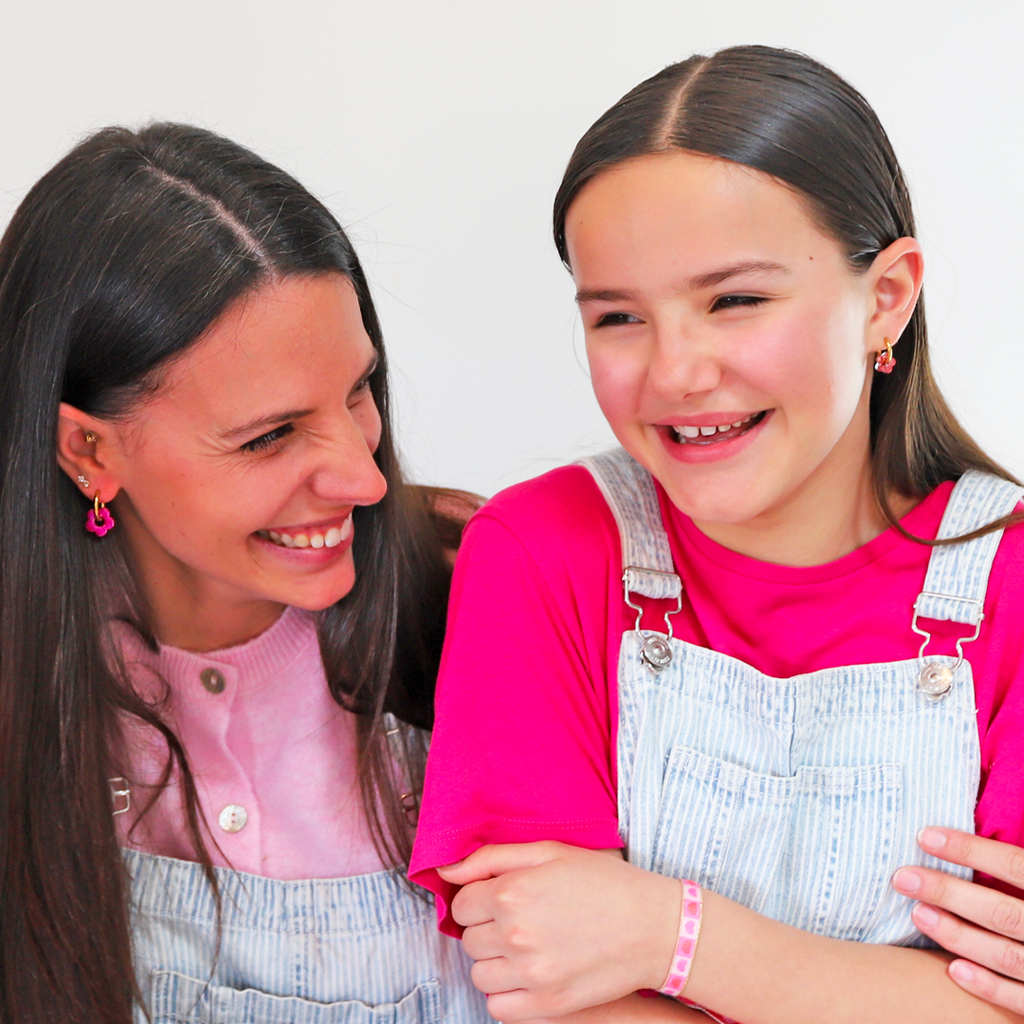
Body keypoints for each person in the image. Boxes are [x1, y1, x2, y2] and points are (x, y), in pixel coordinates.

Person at [408, 45, 1024, 1023]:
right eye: (617, 316)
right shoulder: (540, 550)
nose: (674, 374)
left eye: (734, 300)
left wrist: (664, 931)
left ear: (887, 298)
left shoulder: (1012, 580)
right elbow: (539, 977)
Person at [0, 123, 488, 1024]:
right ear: (88, 450)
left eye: (359, 394)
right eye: (269, 436)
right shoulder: (30, 696)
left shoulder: (488, 605)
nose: (366, 479)